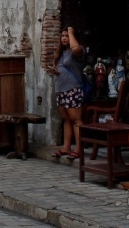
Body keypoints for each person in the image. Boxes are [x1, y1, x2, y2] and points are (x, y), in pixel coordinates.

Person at [46, 26, 85, 160]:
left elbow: (75, 48)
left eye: (66, 36)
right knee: (66, 119)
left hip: (73, 89)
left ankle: (79, 149)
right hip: (61, 90)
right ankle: (66, 147)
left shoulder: (78, 52)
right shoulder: (61, 54)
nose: (64, 38)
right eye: (62, 35)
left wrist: (70, 31)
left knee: (76, 120)